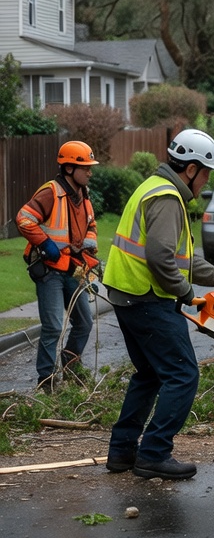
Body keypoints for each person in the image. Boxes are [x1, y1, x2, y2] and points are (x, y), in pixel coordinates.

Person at [104, 129, 214, 480]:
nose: (206, 181)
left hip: (129, 294)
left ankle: (122, 451)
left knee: (150, 374)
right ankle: (153, 453)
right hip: (147, 297)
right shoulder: (167, 198)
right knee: (183, 374)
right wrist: (186, 295)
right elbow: (161, 258)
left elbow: (182, 260)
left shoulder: (155, 187)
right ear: (192, 169)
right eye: (206, 173)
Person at [16, 140, 100, 392]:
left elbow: (92, 227)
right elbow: (24, 218)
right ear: (69, 168)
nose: (90, 172)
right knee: (53, 325)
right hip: (50, 270)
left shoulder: (83, 197)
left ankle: (71, 367)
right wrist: (45, 243)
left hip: (73, 269)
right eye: (85, 167)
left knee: (84, 323)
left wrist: (88, 249)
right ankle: (47, 381)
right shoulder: (51, 192)